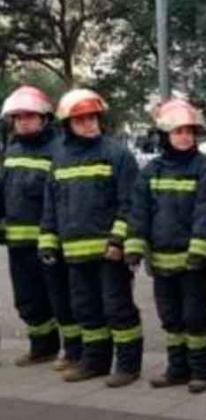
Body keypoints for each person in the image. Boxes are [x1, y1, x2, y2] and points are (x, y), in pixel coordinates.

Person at [39, 88, 142, 387]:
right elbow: (51, 205)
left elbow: (130, 203)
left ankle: (128, 366)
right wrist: (47, 241)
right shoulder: (59, 160)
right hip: (74, 253)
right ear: (67, 124)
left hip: (109, 253)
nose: (89, 124)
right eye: (81, 119)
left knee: (117, 308)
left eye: (93, 118)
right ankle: (95, 363)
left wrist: (117, 241)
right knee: (86, 310)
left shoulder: (117, 154)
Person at [124, 98, 206, 393]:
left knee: (195, 317)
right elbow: (138, 211)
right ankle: (177, 369)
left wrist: (199, 250)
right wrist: (134, 247)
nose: (185, 136)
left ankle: (201, 371)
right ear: (165, 135)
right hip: (161, 261)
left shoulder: (205, 168)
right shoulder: (151, 171)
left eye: (189, 131)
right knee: (171, 319)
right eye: (178, 131)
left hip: (194, 262)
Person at [0, 86, 82, 370]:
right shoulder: (13, 149)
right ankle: (42, 347)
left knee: (61, 298)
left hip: (49, 242)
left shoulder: (59, 149)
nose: (23, 121)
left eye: (29, 116)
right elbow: (5, 190)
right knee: (28, 299)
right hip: (18, 243)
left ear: (44, 117)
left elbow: (63, 196)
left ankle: (73, 352)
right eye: (18, 116)